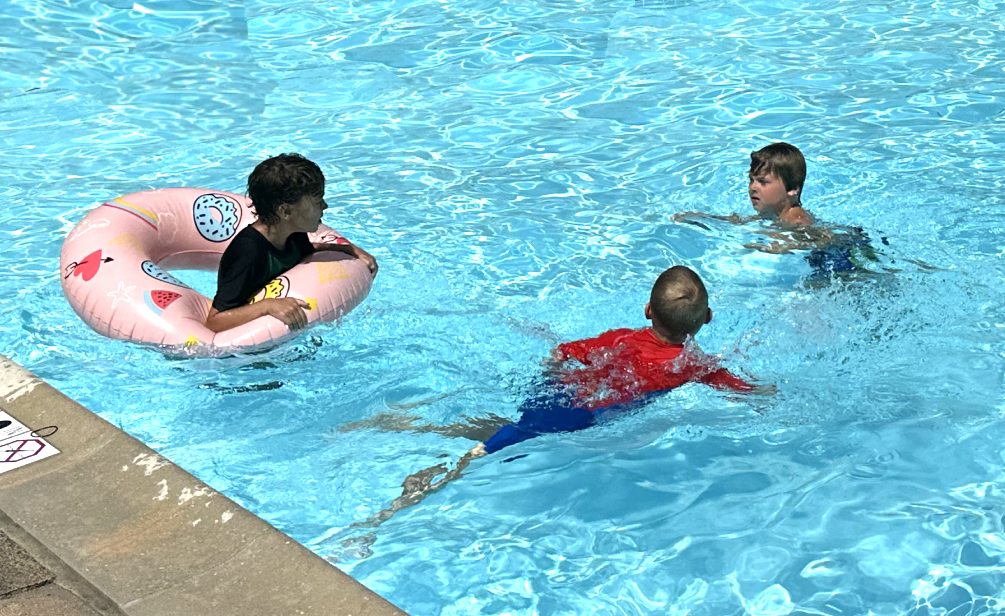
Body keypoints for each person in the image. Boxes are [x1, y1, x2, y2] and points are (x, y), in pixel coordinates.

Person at [347, 265, 766, 528]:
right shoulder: (695, 365)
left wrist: (555, 377)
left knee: (511, 427)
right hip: (579, 416)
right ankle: (382, 518)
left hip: (556, 389)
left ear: (646, 310)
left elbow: (561, 353)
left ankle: (402, 422)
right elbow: (749, 394)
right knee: (480, 454)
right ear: (707, 319)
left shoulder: (621, 336)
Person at [205, 153, 378, 333]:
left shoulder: (293, 233)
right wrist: (266, 306)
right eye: (318, 201)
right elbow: (215, 321)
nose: (325, 206)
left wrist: (350, 250)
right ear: (286, 211)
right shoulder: (248, 252)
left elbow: (309, 251)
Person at [674, 143, 881, 279]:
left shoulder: (798, 220)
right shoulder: (771, 215)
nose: (752, 187)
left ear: (792, 190)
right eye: (751, 180)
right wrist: (701, 219)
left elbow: (825, 238)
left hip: (841, 261)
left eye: (763, 182)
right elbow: (739, 221)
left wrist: (787, 245)